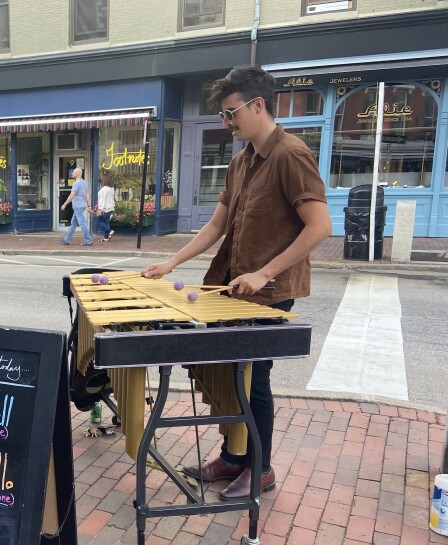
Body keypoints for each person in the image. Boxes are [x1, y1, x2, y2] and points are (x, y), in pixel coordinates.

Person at [141, 65, 331, 500]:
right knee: (231, 373)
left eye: (230, 114)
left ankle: (260, 467)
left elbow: (319, 226)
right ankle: (235, 454)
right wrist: (169, 263)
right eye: (223, 116)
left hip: (269, 293)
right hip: (232, 288)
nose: (226, 124)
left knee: (253, 378)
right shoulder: (241, 161)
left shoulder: (290, 155)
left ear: (257, 105)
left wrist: (265, 271)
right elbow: (216, 226)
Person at [60, 167, 92, 246]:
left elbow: (72, 195)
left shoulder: (76, 183)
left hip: (78, 206)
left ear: (78, 173)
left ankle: (88, 240)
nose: (72, 173)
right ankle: (66, 239)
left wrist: (64, 204)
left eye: (73, 172)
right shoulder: (84, 183)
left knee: (82, 223)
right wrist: (88, 205)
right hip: (82, 205)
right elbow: (87, 195)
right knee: (73, 223)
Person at [95, 175, 116, 242]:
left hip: (104, 208)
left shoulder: (104, 189)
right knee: (106, 223)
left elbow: (102, 199)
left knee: (98, 222)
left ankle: (110, 231)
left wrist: (100, 209)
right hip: (110, 208)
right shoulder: (111, 188)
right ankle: (106, 237)